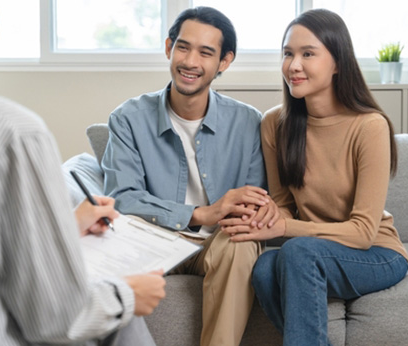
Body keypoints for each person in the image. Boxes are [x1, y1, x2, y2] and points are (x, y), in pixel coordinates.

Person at [0, 0, 165, 345]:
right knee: (118, 319)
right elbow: (58, 318)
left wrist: (66, 227)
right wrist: (128, 295)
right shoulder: (11, 132)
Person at [219, 9, 408, 346]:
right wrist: (262, 219)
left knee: (297, 252)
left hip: (377, 254)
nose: (293, 65)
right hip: (312, 252)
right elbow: (284, 207)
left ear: (337, 62)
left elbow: (364, 232)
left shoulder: (369, 126)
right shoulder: (274, 124)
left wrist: (286, 228)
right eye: (288, 53)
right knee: (264, 267)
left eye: (308, 53)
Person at [102, 6, 279, 346]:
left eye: (205, 52)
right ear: (169, 48)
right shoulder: (127, 119)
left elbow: (255, 201)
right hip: (153, 243)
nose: (190, 61)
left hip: (218, 244)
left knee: (241, 244)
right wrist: (199, 215)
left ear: (224, 62)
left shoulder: (248, 123)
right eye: (183, 47)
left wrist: (234, 217)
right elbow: (123, 198)